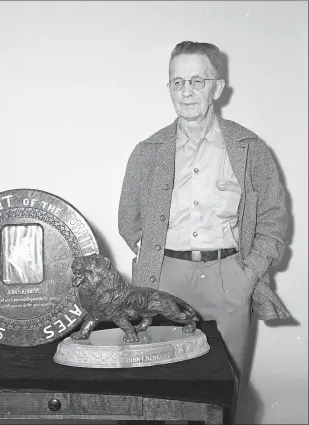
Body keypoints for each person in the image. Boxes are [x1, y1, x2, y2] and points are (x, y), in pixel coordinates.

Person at [118, 41, 291, 382]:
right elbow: (129, 222)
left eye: (197, 81)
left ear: (217, 88)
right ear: (169, 87)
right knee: (162, 390)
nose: (186, 92)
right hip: (163, 282)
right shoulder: (147, 152)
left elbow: (273, 219)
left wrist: (247, 274)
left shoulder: (249, 148)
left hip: (228, 278)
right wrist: (157, 259)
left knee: (224, 387)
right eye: (177, 82)